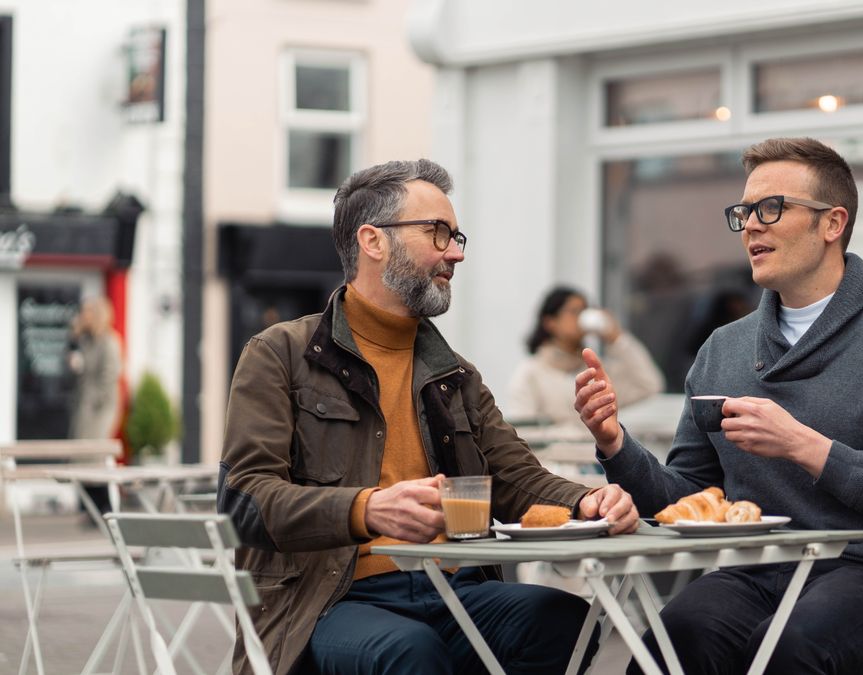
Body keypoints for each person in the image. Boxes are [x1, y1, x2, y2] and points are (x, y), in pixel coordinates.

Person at [218, 159, 640, 675]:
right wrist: (365, 510)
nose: (456, 253)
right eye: (438, 234)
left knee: (562, 618)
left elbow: (515, 477)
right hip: (329, 599)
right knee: (409, 651)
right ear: (373, 241)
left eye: (457, 236)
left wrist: (586, 498)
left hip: (453, 586)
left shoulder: (455, 374)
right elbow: (244, 502)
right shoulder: (279, 353)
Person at [574, 137, 863, 675]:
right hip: (756, 572)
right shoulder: (724, 349)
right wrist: (614, 443)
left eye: (771, 208)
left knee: (789, 647)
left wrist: (805, 446)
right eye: (744, 212)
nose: (751, 226)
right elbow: (687, 497)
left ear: (832, 224)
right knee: (666, 647)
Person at [507, 286, 664, 427]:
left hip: (598, 458)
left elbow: (649, 384)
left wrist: (617, 339)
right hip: (551, 459)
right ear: (550, 322)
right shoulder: (530, 373)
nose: (580, 318)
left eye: (584, 311)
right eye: (574, 312)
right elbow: (523, 431)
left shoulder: (597, 372)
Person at [67, 296, 123, 516]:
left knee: (95, 454)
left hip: (101, 408)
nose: (84, 316)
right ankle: (89, 507)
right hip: (84, 406)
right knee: (82, 455)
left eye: (88, 312)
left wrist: (96, 401)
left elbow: (110, 376)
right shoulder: (85, 340)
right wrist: (74, 334)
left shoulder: (109, 341)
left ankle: (104, 506)